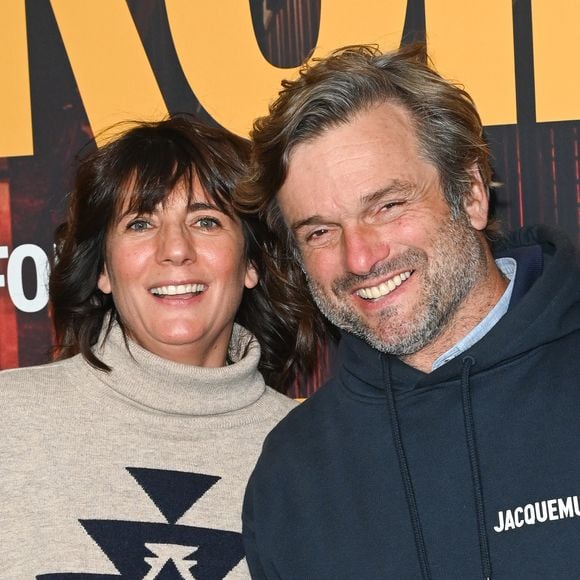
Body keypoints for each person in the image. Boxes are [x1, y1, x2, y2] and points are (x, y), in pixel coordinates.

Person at [238, 43, 580, 579]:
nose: (360, 257)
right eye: (321, 231)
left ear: (469, 193)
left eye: (387, 206)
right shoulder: (294, 475)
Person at [0, 115, 323, 578]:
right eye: (140, 224)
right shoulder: (9, 420)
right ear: (104, 270)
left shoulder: (318, 453)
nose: (175, 249)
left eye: (206, 221)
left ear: (251, 262)